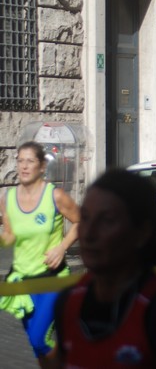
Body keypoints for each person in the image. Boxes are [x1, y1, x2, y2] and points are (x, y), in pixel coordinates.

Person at [52, 168, 156, 368]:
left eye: (107, 220)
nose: (89, 233)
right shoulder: (67, 302)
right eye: (85, 217)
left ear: (142, 232)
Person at [0, 141, 80, 368]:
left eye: (30, 161)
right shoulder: (7, 199)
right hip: (22, 283)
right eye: (20, 160)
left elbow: (80, 221)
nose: (24, 166)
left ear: (42, 166)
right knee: (36, 346)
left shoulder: (55, 196)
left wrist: (62, 246)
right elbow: (10, 236)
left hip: (51, 280)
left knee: (39, 339)